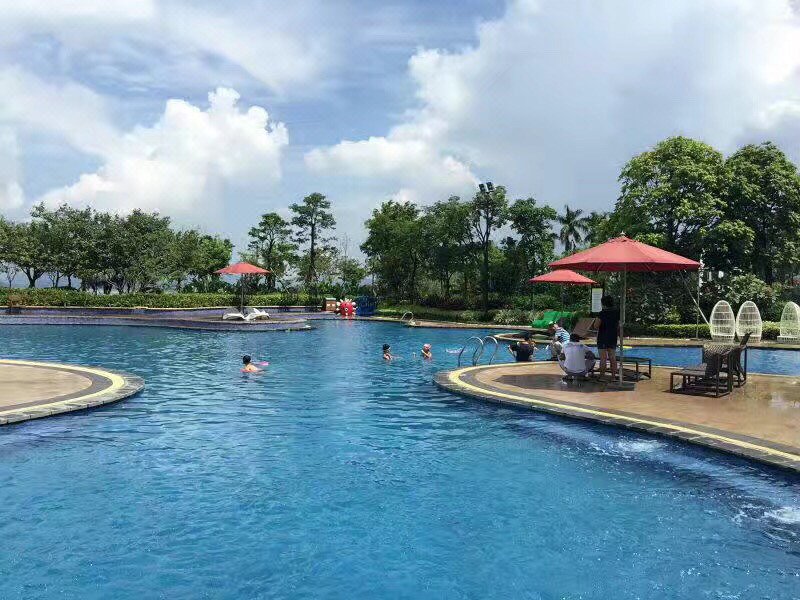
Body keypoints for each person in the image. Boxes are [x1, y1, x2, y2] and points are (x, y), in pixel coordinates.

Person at [597, 295, 620, 379]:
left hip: (603, 337)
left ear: (603, 303)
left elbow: (596, 325)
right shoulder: (617, 312)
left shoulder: (602, 313)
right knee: (612, 357)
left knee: (603, 358)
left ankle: (602, 377)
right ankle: (613, 377)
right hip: (613, 337)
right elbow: (619, 325)